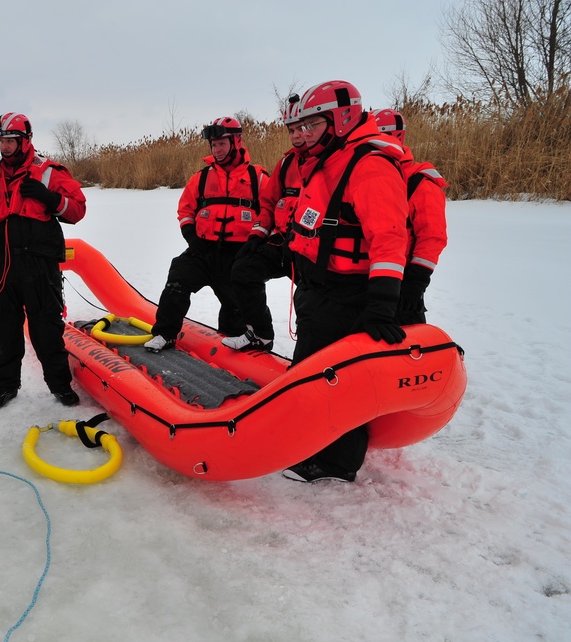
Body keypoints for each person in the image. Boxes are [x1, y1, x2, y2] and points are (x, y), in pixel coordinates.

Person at [278, 80, 410, 483]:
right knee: (311, 372)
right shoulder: (330, 160)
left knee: (335, 379)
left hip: (347, 295)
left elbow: (388, 238)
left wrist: (382, 303)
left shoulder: (368, 165)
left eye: (314, 125)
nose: (306, 134)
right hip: (320, 292)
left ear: (340, 119)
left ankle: (335, 463)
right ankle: (314, 444)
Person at [0, 112, 87, 410]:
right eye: (1, 141)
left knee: (46, 328)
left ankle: (60, 385)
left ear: (25, 141)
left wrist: (50, 199)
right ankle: (6, 385)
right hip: (2, 265)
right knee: (5, 330)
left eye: (10, 141)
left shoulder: (48, 171)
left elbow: (77, 210)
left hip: (39, 267)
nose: (4, 147)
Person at [143, 117, 271, 353]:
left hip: (239, 254)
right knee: (177, 280)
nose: (217, 149)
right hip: (203, 249)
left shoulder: (259, 178)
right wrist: (191, 237)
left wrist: (256, 242)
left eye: (221, 143)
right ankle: (165, 334)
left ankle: (240, 344)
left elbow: (270, 212)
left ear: (236, 142)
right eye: (213, 145)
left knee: (238, 304)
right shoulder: (200, 178)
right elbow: (185, 210)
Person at [223, 98, 306, 349]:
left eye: (301, 128)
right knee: (243, 271)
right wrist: (257, 235)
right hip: (282, 243)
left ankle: (312, 352)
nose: (296, 136)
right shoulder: (286, 164)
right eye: (291, 130)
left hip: (312, 249)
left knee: (309, 303)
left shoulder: (331, 165)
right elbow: (269, 203)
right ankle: (260, 334)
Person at [372, 108, 449, 324]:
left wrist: (415, 283)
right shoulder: (368, 178)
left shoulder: (420, 184)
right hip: (368, 280)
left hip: (403, 282)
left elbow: (432, 237)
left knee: (405, 346)